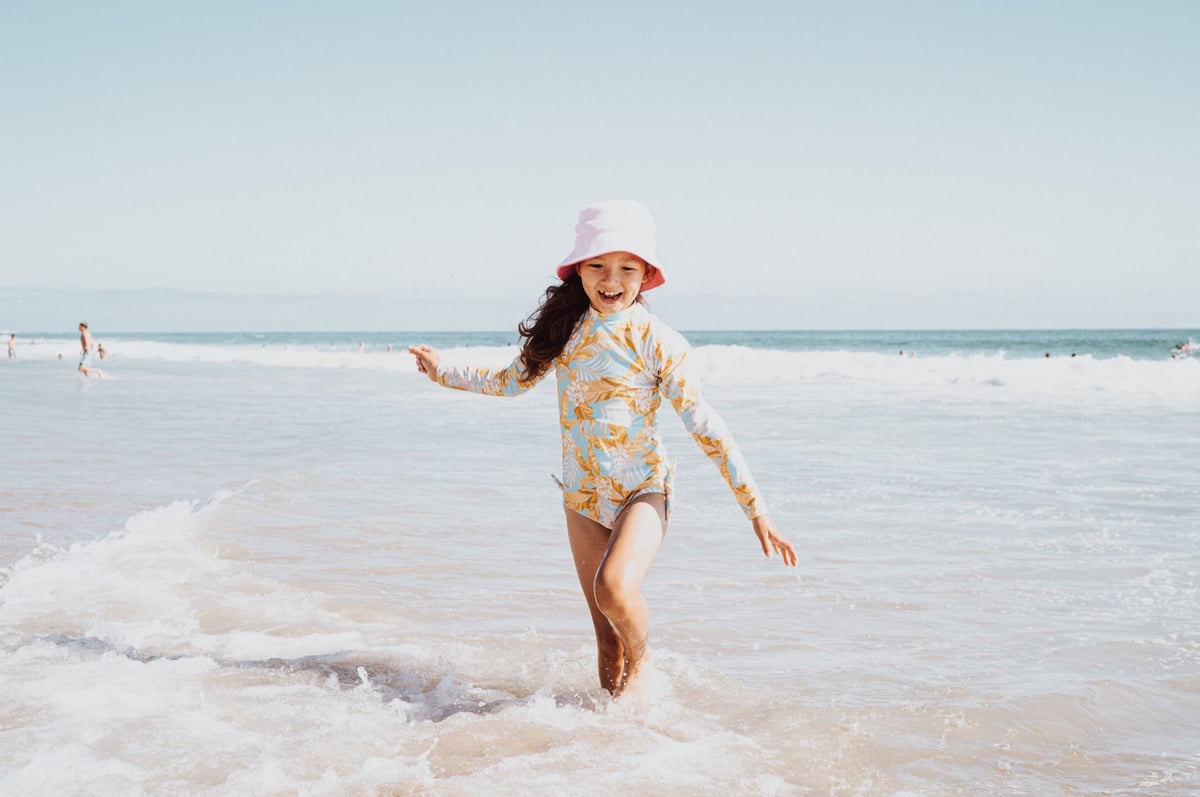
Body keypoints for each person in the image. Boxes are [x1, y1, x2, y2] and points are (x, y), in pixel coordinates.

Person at [409, 199, 797, 699]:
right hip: (581, 495)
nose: (611, 278)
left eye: (626, 267)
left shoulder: (661, 342)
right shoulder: (565, 330)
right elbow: (510, 382)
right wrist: (444, 373)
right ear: (579, 271)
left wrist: (756, 510)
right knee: (605, 646)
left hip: (642, 489)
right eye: (597, 265)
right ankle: (613, 742)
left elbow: (704, 424)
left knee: (613, 588)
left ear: (646, 275)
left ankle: (647, 656)